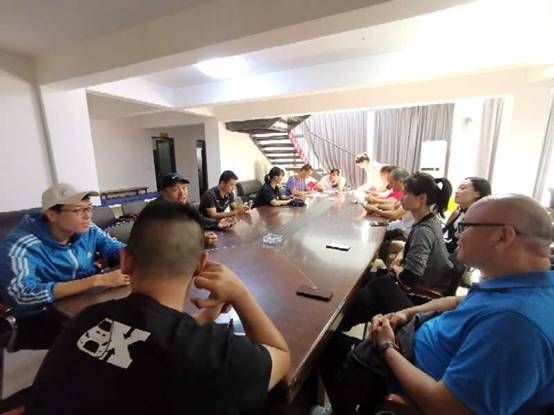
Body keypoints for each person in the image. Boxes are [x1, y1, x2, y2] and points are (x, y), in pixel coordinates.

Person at [27, 201, 291, 415]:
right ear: (200, 265)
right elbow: (280, 355)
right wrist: (239, 293)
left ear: (125, 261)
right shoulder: (216, 357)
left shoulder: (85, 320)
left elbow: (148, 340)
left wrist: (206, 316)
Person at [323, 194, 554, 414]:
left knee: (325, 348)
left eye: (466, 226)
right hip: (414, 338)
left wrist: (387, 347)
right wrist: (406, 313)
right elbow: (458, 301)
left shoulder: (516, 324)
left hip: (401, 371)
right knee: (380, 288)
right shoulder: (524, 284)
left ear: (503, 236)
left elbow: (449, 408)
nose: (458, 234)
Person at [0, 183, 128, 349]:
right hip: (42, 315)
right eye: (78, 210)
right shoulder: (20, 244)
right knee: (114, 334)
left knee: (130, 314)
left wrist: (139, 257)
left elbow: (115, 249)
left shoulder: (88, 229)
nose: (87, 216)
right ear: (52, 214)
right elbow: (22, 294)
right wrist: (97, 280)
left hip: (84, 300)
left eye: (89, 208)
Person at [340, 172, 453, 331]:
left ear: (422, 198)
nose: (401, 198)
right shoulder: (429, 221)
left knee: (379, 285)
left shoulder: (424, 230)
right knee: (368, 278)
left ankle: (339, 324)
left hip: (422, 297)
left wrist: (396, 268)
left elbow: (409, 278)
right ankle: (341, 324)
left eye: (406, 194)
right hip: (424, 286)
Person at [153, 173, 235, 245]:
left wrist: (218, 223)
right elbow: (166, 239)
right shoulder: (156, 210)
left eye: (184, 188)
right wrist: (198, 240)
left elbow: (198, 219)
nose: (182, 193)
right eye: (175, 190)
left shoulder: (183, 203)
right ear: (163, 193)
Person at [444, 177, 491, 254]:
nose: (456, 191)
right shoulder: (457, 212)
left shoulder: (478, 218)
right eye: (458, 188)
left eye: (462, 188)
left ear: (477, 194)